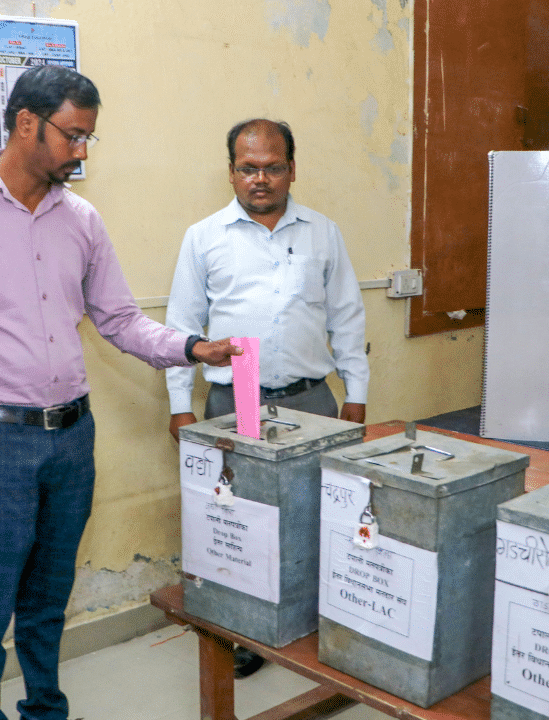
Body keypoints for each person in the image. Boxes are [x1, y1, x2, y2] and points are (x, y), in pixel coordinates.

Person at [0, 65, 240, 720]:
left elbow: (119, 320)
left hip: (71, 442)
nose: (82, 151)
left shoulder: (80, 220)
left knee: (49, 597)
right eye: (74, 135)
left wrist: (191, 347)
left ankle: (45, 710)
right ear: (27, 122)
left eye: (89, 139)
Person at [164, 118, 370, 677]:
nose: (261, 178)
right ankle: (247, 634)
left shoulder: (322, 233)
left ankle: (325, 624)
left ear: (292, 170)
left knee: (322, 520)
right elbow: (184, 324)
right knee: (238, 523)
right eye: (248, 167)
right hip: (237, 404)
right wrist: (181, 404)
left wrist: (357, 393)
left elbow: (348, 316)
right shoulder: (203, 237)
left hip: (312, 402)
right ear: (231, 172)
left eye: (273, 167)